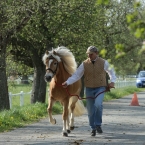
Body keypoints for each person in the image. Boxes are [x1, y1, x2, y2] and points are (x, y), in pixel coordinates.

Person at [62, 46, 117, 136]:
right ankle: (93, 128)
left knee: (98, 104)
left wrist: (112, 82)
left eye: (91, 54)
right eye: (88, 54)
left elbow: (112, 72)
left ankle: (98, 124)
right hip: (89, 88)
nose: (89, 56)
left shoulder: (104, 62)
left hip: (100, 87)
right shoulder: (84, 64)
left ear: (96, 53)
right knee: (90, 110)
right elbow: (76, 75)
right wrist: (67, 82)